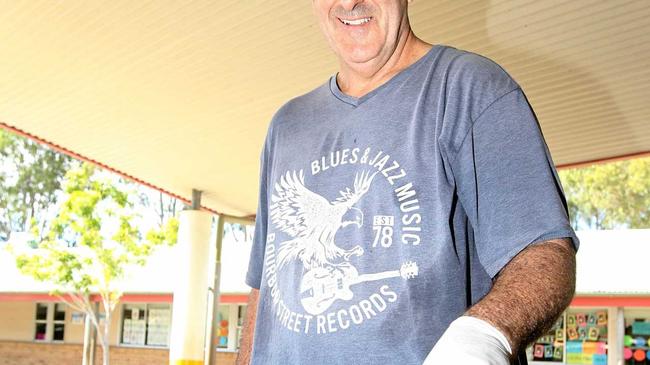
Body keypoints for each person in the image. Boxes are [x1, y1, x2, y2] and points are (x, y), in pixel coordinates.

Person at [238, 1, 578, 364]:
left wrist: (483, 335)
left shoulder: (469, 87)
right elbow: (266, 287)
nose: (351, 2)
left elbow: (544, 252)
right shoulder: (287, 124)